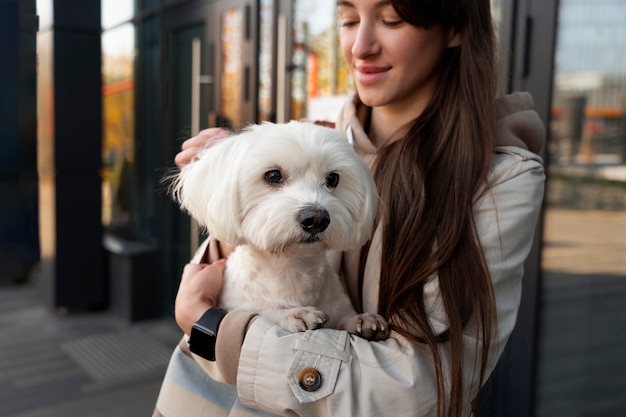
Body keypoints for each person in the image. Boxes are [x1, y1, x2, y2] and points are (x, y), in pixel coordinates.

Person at [154, 0, 545, 416]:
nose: (360, 46)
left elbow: (418, 387)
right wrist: (222, 180)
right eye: (348, 20)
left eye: (392, 20)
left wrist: (216, 331)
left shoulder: (500, 179)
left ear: (454, 29)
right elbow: (237, 265)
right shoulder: (321, 137)